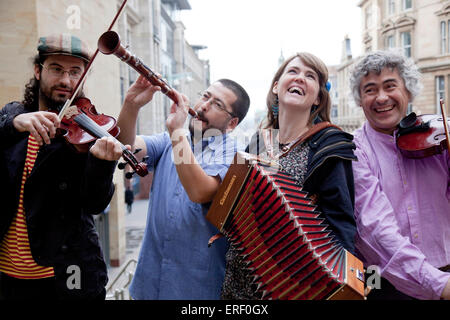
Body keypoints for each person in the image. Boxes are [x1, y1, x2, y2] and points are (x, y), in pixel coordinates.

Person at [221, 52, 358, 299]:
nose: (300, 78)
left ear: (318, 98)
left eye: (310, 76)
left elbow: (341, 226)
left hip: (291, 288)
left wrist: (339, 289)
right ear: (276, 86)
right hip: (238, 282)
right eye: (292, 72)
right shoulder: (259, 142)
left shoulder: (329, 146)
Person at [0, 34, 127, 300]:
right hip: (8, 277)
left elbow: (94, 204)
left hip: (67, 276)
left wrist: (102, 166)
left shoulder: (85, 136)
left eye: (75, 72)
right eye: (56, 69)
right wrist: (15, 123)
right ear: (38, 70)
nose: (66, 81)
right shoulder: (15, 118)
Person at [116, 75, 250, 299]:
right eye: (205, 96)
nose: (204, 106)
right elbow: (126, 147)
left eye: (217, 104)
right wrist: (131, 105)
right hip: (148, 285)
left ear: (232, 123)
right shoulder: (168, 140)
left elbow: (199, 191)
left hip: (194, 291)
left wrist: (177, 132)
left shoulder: (235, 156)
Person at [349, 50, 450, 300]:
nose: (382, 97)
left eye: (390, 86)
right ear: (360, 100)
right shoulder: (354, 149)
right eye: (370, 90)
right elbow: (373, 227)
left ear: (408, 91)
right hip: (381, 280)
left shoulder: (438, 137)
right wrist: (436, 284)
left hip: (445, 266)